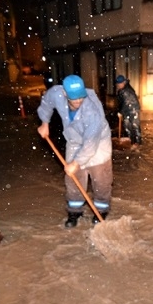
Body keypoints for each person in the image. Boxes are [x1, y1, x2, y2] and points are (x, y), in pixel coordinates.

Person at [37, 75, 113, 228]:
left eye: (81, 97)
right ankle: (74, 212)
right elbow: (47, 101)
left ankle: (101, 211)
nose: (79, 101)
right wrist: (45, 122)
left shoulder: (92, 111)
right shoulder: (57, 93)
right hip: (74, 140)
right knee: (73, 179)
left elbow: (90, 145)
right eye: (74, 98)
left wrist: (76, 162)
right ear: (65, 94)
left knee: (101, 179)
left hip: (98, 143)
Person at [114, 75, 142, 149]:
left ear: (124, 82)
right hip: (127, 110)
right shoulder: (123, 89)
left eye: (120, 83)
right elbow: (122, 103)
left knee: (135, 126)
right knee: (127, 126)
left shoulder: (126, 91)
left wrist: (120, 112)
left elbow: (126, 102)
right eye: (117, 84)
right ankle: (131, 141)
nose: (118, 85)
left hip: (133, 109)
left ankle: (137, 143)